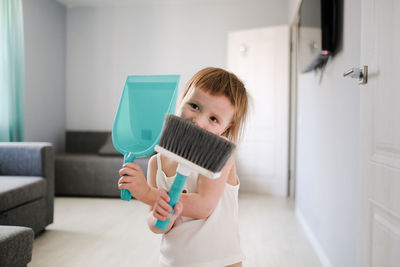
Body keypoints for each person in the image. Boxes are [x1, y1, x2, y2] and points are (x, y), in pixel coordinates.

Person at [118, 67, 249, 267]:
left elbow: (204, 205)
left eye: (214, 119)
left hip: (221, 262)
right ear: (181, 100)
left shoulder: (220, 155)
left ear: (226, 128)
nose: (198, 121)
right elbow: (155, 224)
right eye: (194, 106)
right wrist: (161, 218)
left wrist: (147, 193)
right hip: (174, 262)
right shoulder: (157, 162)